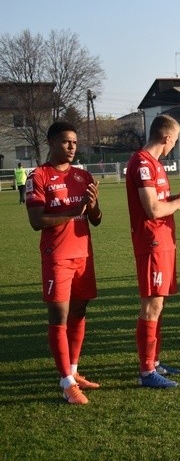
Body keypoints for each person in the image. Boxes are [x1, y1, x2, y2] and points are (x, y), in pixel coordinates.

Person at [126, 114, 180, 388]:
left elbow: (162, 202)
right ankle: (146, 371)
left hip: (164, 241)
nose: (174, 144)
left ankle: (155, 362)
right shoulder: (142, 163)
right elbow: (153, 210)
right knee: (152, 304)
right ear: (167, 138)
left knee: (158, 304)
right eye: (175, 139)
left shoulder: (156, 165)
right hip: (151, 242)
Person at [26, 122, 102, 404]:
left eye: (74, 142)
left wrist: (92, 206)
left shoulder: (83, 176)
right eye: (65, 142)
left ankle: (73, 370)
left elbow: (96, 219)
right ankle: (66, 383)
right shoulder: (39, 176)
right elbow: (36, 221)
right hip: (57, 256)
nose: (71, 147)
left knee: (80, 311)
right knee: (58, 316)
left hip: (83, 254)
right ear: (51, 142)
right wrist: (75, 209)